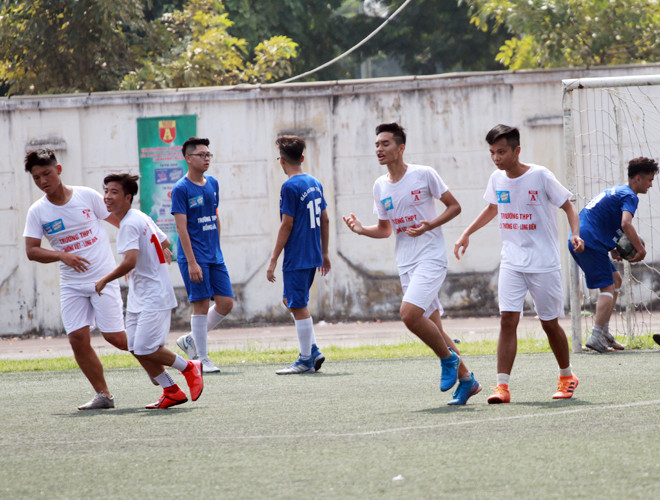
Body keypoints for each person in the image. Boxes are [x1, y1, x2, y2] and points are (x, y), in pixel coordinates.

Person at [343, 122, 481, 405]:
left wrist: (430, 224)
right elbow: (385, 229)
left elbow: (455, 207)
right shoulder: (380, 185)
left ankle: (448, 359)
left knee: (408, 315)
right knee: (435, 328)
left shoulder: (424, 174)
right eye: (377, 145)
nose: (379, 149)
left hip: (431, 257)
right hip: (406, 264)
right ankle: (468, 381)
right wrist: (361, 229)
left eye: (385, 144)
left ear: (401, 148)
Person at [454, 124, 584, 404]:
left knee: (549, 323)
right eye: (492, 152)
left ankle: (567, 376)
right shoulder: (496, 178)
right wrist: (467, 233)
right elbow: (492, 208)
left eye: (501, 152)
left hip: (543, 263)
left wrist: (575, 233)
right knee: (507, 319)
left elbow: (568, 206)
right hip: (512, 261)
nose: (496, 158)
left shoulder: (540, 175)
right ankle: (502, 386)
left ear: (517, 151)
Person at [23, 149, 128, 410]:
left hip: (103, 279)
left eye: (47, 174)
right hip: (71, 285)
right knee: (77, 340)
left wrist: (139, 252)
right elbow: (32, 251)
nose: (43, 181)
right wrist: (62, 255)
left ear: (58, 170)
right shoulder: (38, 211)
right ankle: (103, 395)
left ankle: (169, 368)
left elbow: (122, 221)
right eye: (36, 178)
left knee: (116, 338)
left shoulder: (86, 196)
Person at [95, 174, 204, 409]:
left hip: (154, 296)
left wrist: (105, 280)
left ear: (128, 197)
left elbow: (130, 261)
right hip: (141, 296)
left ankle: (189, 367)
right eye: (106, 191)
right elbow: (165, 243)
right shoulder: (139, 216)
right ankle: (171, 391)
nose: (107, 197)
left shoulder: (129, 223)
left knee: (146, 348)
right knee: (135, 347)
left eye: (114, 192)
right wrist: (152, 257)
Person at [569, 157, 658, 353]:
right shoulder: (630, 196)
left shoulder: (617, 190)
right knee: (608, 287)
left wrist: (612, 247)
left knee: (616, 280)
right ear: (638, 178)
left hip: (585, 238)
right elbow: (626, 224)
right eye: (650, 180)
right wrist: (641, 250)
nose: (651, 184)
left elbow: (602, 220)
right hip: (589, 242)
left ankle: (604, 333)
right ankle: (595, 336)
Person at [266, 136, 331, 374]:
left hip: (297, 256)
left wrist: (274, 259)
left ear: (282, 161)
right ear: (302, 158)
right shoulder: (315, 182)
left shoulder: (289, 187)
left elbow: (287, 224)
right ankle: (312, 349)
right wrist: (324, 252)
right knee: (290, 300)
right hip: (312, 254)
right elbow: (325, 219)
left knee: (299, 305)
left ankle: (305, 360)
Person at [172, 137, 234, 373]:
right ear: (188, 158)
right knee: (200, 304)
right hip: (195, 257)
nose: (207, 158)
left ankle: (190, 339)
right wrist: (192, 262)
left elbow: (215, 216)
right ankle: (201, 358)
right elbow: (181, 228)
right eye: (201, 155)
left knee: (226, 303)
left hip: (214, 255)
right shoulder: (181, 189)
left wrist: (217, 247)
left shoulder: (213, 183)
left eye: (208, 154)